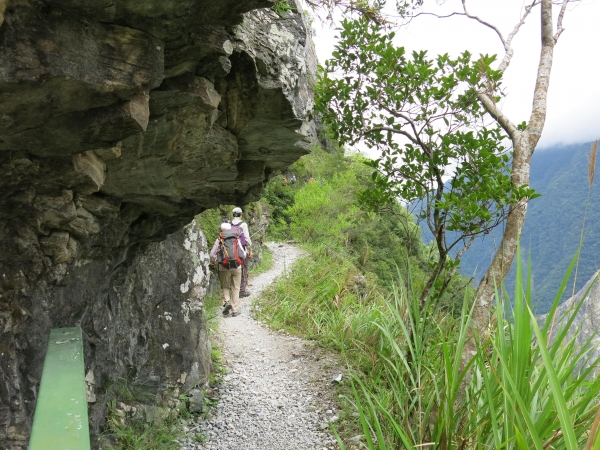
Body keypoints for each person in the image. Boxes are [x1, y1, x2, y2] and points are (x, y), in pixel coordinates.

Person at [210, 222, 246, 317]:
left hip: (224, 267)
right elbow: (243, 253)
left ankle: (227, 301)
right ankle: (235, 310)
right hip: (237, 266)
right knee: (236, 288)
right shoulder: (236, 238)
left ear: (222, 230)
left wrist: (213, 262)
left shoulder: (219, 240)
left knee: (225, 286)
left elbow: (212, 254)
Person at [231, 206, 252, 297]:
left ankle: (234, 290)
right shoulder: (243, 225)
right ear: (241, 215)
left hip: (231, 251)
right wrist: (250, 249)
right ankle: (242, 291)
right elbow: (247, 239)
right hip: (242, 251)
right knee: (244, 269)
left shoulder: (229, 224)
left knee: (234, 270)